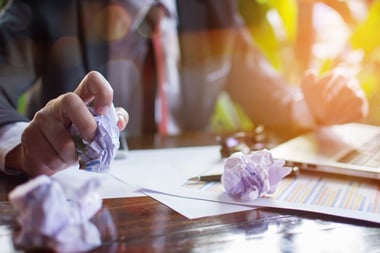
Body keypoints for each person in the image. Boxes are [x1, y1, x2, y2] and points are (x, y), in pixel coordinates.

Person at [0, 0, 368, 177]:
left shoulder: (215, 10)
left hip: (189, 211)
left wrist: (318, 108)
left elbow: (272, 98)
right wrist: (22, 146)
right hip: (83, 212)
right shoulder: (48, 6)